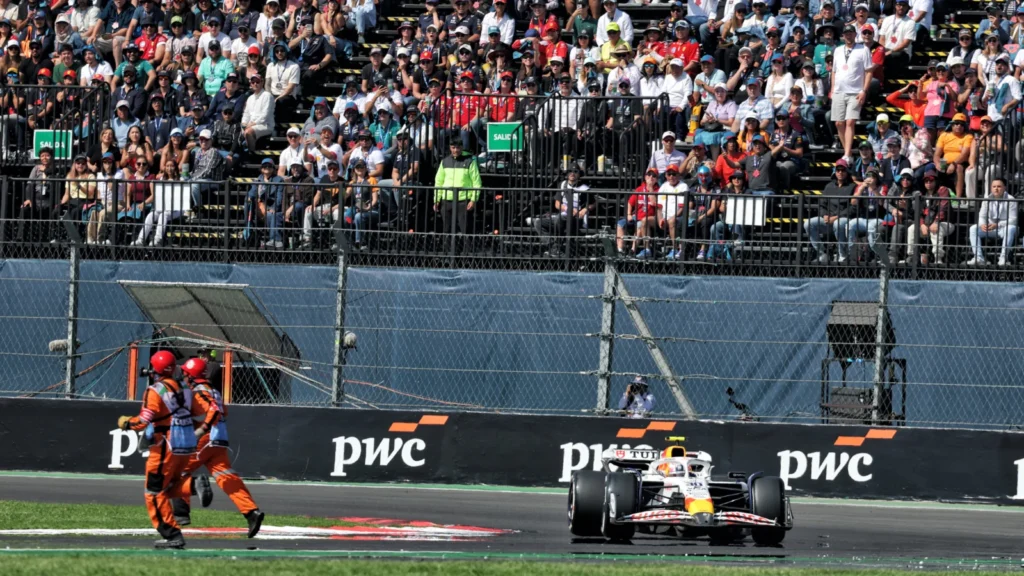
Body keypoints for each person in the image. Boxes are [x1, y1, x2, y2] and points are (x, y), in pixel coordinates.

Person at [169, 356, 265, 538]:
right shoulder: (213, 390)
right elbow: (223, 411)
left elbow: (213, 410)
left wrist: (201, 428)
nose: (183, 376)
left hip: (205, 438)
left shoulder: (198, 392)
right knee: (227, 477)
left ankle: (181, 514)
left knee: (176, 471)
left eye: (185, 373)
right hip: (219, 439)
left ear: (191, 376)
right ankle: (251, 512)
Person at [115, 351, 201, 549]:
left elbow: (143, 420)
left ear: (155, 369)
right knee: (169, 486)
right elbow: (199, 414)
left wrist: (126, 423)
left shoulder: (155, 391)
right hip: (185, 444)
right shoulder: (185, 388)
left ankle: (172, 535)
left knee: (153, 491)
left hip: (164, 446)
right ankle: (192, 485)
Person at [831, 24, 873, 163]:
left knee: (850, 121)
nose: (848, 36)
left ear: (855, 34)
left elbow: (869, 72)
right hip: (839, 90)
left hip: (855, 91)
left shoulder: (864, 49)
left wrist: (864, 90)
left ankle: (847, 154)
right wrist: (832, 89)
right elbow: (834, 72)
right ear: (843, 36)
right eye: (846, 33)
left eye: (851, 33)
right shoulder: (838, 50)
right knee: (839, 123)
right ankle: (847, 153)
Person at [534, 165, 591, 258]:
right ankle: (553, 247)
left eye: (575, 171)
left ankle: (557, 246)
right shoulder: (562, 184)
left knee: (559, 218)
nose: (572, 173)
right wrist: (568, 209)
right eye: (570, 171)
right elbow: (557, 204)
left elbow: (593, 203)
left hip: (575, 218)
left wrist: (585, 209)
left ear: (579, 174)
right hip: (563, 215)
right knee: (538, 222)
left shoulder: (584, 187)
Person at [805, 158, 855, 263]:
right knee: (808, 223)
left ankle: (842, 255)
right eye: (838, 170)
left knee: (838, 223)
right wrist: (824, 215)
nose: (840, 172)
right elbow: (822, 205)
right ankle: (822, 253)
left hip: (844, 220)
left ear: (847, 172)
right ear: (835, 172)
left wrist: (837, 217)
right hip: (828, 219)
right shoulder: (828, 186)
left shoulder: (852, 187)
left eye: (843, 170)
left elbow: (853, 208)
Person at [433, 140, 481, 237]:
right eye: (453, 147)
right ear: (450, 148)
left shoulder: (470, 162)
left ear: (462, 147)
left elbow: (477, 182)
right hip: (446, 200)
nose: (455, 150)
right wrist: (437, 200)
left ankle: (467, 247)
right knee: (446, 230)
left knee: (465, 230)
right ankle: (447, 247)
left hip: (463, 200)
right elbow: (438, 182)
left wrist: (473, 200)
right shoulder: (444, 162)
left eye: (458, 147)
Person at [967, 178, 1017, 266]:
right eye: (994, 186)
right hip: (990, 228)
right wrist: (982, 224)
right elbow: (982, 216)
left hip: (1004, 228)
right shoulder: (987, 199)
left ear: (1004, 188)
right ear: (991, 188)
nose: (996, 189)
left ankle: (1003, 258)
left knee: (1010, 228)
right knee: (973, 228)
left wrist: (997, 225)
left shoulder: (1011, 199)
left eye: (999, 186)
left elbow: (1013, 220)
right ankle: (979, 258)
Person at [907, 169, 952, 265]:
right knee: (911, 229)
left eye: (931, 181)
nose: (928, 183)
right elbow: (919, 212)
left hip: (945, 222)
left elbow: (943, 208)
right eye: (926, 181)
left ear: (936, 181)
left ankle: (938, 258)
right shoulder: (922, 195)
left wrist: (936, 221)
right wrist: (922, 224)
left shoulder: (942, 190)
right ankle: (911, 255)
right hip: (927, 223)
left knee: (936, 229)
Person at [847, 169, 888, 262]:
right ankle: (852, 253)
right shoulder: (860, 186)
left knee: (871, 227)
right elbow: (853, 202)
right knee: (849, 226)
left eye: (872, 176)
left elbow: (881, 203)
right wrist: (861, 189)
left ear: (876, 178)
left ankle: (876, 254)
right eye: (868, 176)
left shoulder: (883, 186)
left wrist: (874, 189)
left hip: (877, 218)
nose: (870, 178)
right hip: (862, 218)